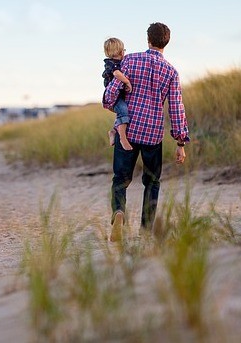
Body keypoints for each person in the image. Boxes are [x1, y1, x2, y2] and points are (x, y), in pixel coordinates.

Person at [103, 22, 190, 242]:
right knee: (152, 182)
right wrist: (180, 143)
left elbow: (110, 96)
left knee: (120, 180)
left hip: (129, 131)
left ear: (148, 39)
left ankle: (119, 213)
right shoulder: (171, 72)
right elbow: (176, 108)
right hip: (153, 134)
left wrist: (112, 99)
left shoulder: (129, 60)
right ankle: (146, 230)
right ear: (166, 42)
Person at [102, 37, 133, 151]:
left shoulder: (120, 62)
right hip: (114, 96)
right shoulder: (111, 64)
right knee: (123, 111)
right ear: (121, 51)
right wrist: (127, 82)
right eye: (124, 50)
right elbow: (116, 74)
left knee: (122, 113)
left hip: (119, 94)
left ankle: (113, 132)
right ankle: (122, 139)